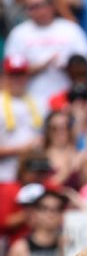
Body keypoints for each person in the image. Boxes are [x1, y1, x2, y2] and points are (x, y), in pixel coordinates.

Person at [1, 0, 87, 104]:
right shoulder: (19, 33)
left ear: (51, 6)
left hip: (65, 99)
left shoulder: (70, 29)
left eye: (36, 6)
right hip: (29, 101)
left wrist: (68, 66)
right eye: (29, 7)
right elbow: (8, 72)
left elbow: (85, 64)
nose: (32, 11)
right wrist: (39, 67)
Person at [0, 58, 46, 186]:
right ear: (5, 77)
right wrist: (21, 149)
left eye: (21, 75)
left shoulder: (39, 103)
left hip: (35, 176)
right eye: (13, 75)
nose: (17, 80)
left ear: (27, 76)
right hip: (5, 177)